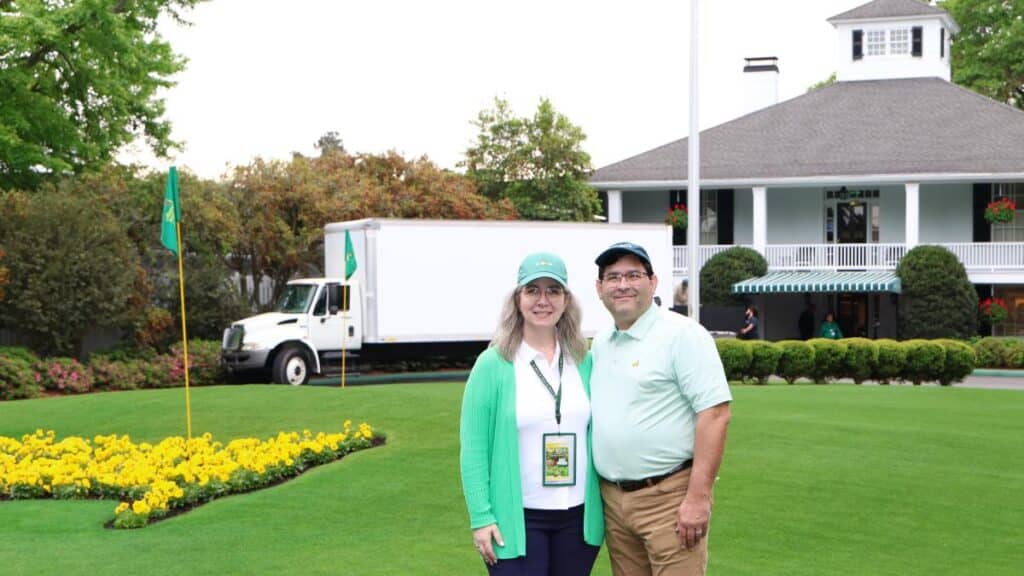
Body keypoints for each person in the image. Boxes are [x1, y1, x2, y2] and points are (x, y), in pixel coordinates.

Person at [589, 242, 732, 576]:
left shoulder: (682, 335)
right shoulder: (601, 341)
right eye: (613, 277)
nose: (622, 284)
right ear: (599, 288)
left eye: (633, 275)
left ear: (653, 282)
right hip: (613, 500)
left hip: (668, 498)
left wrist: (698, 498)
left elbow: (716, 414)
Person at [460, 252, 604, 575]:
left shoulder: (584, 361)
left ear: (566, 300)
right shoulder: (493, 365)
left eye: (553, 290)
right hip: (517, 518)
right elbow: (474, 450)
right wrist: (481, 517)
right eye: (533, 290)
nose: (543, 300)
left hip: (577, 520)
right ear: (518, 299)